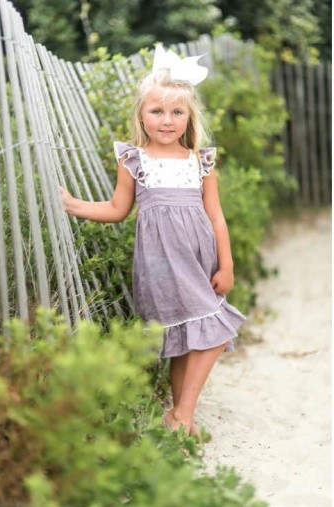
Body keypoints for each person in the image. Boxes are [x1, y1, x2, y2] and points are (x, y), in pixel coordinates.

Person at [59, 45, 245, 436]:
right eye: (157, 111)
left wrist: (226, 264)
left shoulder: (200, 160)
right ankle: (182, 416)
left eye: (177, 112)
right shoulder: (134, 160)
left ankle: (180, 415)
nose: (167, 120)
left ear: (189, 117)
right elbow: (116, 209)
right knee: (193, 332)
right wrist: (74, 206)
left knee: (203, 331)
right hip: (161, 261)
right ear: (142, 115)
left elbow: (216, 215)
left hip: (198, 258)